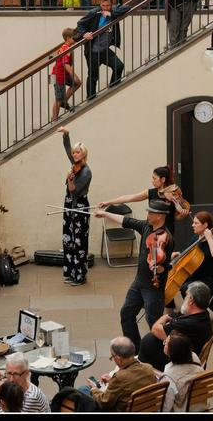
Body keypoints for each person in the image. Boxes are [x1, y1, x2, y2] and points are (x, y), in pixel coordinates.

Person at [95, 199, 173, 353]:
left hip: (153, 287)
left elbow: (166, 266)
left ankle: (161, 354)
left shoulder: (168, 238)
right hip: (139, 283)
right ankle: (135, 350)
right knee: (126, 313)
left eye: (151, 212)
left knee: (154, 323)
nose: (148, 214)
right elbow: (126, 220)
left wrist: (158, 268)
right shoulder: (146, 226)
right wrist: (105, 214)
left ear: (160, 216)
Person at [138, 281, 213, 372]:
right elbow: (173, 316)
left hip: (175, 362)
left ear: (191, 300)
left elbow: (155, 329)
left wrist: (164, 317)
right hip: (178, 355)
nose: (184, 298)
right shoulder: (202, 314)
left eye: (186, 296)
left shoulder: (188, 324)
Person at [98, 165, 189, 238]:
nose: (152, 181)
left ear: (163, 179)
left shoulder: (174, 194)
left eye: (154, 178)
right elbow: (129, 198)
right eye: (152, 178)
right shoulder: (150, 192)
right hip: (151, 228)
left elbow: (177, 217)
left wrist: (182, 214)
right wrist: (107, 202)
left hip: (167, 231)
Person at [75, 0, 129, 100]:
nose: (105, 8)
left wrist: (111, 13)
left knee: (119, 66)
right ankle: (91, 98)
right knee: (93, 76)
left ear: (112, 3)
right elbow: (80, 24)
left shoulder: (114, 10)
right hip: (93, 52)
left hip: (105, 50)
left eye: (108, 5)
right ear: (100, 4)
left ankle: (112, 88)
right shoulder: (94, 13)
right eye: (103, 5)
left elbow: (127, 8)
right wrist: (84, 33)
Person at [56, 126, 92, 285]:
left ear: (83, 154)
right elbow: (66, 148)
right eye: (74, 152)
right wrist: (66, 134)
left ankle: (80, 276)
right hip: (69, 204)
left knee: (79, 242)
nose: (74, 154)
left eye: (77, 152)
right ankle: (71, 273)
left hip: (80, 206)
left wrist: (70, 179)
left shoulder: (86, 172)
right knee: (68, 239)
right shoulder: (74, 163)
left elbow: (74, 191)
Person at [84, 337, 157, 411]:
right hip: (146, 409)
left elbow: (104, 403)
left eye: (112, 357)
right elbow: (132, 383)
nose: (113, 359)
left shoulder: (119, 377)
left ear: (118, 359)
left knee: (83, 389)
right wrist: (112, 380)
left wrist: (93, 389)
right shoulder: (149, 368)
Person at [159, 331, 205, 412]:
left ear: (172, 352)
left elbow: (166, 408)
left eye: (166, 343)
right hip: (201, 406)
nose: (164, 343)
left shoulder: (168, 378)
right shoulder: (193, 356)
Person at [51, 28, 81, 121]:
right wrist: (74, 76)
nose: (75, 39)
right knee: (58, 98)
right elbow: (65, 64)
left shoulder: (66, 47)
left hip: (58, 74)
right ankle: (54, 119)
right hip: (57, 76)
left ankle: (64, 102)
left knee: (77, 83)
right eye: (73, 38)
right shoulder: (66, 49)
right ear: (68, 38)